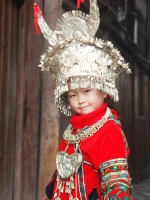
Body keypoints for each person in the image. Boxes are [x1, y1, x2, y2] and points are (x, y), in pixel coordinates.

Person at [34, 0, 133, 199]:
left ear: (104, 90)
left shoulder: (108, 130)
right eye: (72, 94)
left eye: (87, 91)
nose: (80, 100)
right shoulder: (74, 128)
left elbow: (116, 184)